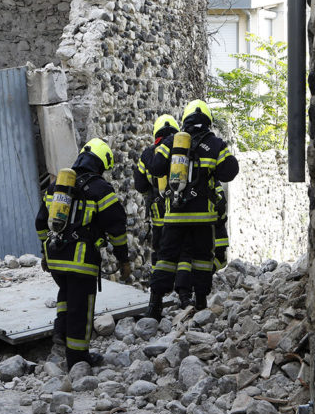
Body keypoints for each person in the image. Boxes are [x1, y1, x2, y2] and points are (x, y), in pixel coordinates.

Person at [35, 138, 131, 369]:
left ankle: (61, 330)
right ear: (100, 164)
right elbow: (116, 228)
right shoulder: (100, 189)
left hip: (56, 257)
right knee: (81, 308)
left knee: (66, 294)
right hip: (81, 261)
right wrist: (123, 259)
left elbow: (40, 222)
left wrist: (45, 252)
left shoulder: (57, 187)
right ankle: (78, 359)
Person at [145, 100, 239, 320]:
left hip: (174, 215)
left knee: (166, 259)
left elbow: (156, 168)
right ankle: (201, 302)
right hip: (202, 217)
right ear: (208, 120)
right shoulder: (215, 144)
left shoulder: (171, 141)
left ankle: (154, 305)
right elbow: (229, 172)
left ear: (185, 119)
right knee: (202, 259)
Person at [133, 113, 179, 268]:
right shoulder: (182, 150)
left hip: (158, 213)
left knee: (160, 252)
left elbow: (140, 186)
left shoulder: (148, 154)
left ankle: (158, 280)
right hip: (181, 210)